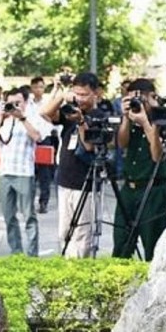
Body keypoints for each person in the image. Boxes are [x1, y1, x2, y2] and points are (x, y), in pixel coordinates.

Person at [39, 72, 103, 258]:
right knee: (64, 233)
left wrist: (81, 121)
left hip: (86, 183)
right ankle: (67, 270)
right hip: (65, 179)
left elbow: (89, 145)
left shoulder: (99, 115)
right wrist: (60, 95)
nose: (80, 99)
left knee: (82, 236)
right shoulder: (69, 111)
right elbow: (44, 113)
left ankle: (80, 275)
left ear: (95, 94)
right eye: (77, 93)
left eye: (84, 94)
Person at [112, 78, 166, 261]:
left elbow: (157, 157)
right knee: (121, 244)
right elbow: (122, 143)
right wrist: (127, 117)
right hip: (129, 189)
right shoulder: (130, 118)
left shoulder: (163, 119)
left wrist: (146, 123)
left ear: (152, 97)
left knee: (152, 248)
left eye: (140, 99)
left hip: (153, 191)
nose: (137, 104)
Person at [0, 87, 49, 256]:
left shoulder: (32, 118)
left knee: (28, 216)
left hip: (24, 172)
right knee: (9, 216)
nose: (15, 107)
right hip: (5, 173)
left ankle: (32, 255)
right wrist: (0, 118)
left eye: (18, 103)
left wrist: (22, 118)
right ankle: (16, 252)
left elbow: (38, 137)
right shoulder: (4, 121)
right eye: (11, 104)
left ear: (25, 103)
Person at [30, 76, 56, 213]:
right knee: (31, 172)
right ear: (32, 88)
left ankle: (43, 201)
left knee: (44, 173)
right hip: (30, 139)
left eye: (41, 87)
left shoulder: (48, 101)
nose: (38, 90)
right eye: (36, 87)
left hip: (45, 138)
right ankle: (29, 201)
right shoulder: (28, 103)